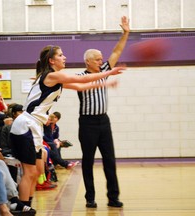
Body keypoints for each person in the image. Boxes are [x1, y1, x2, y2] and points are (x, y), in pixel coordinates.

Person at [10, 45, 125, 209]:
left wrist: (104, 84)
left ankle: (26, 206)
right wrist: (108, 73)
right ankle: (22, 207)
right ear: (52, 60)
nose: (64, 58)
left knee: (37, 171)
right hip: (26, 124)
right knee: (30, 172)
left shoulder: (55, 78)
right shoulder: (52, 75)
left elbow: (80, 87)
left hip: (34, 125)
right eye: (61, 55)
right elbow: (81, 80)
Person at [76, 16, 130, 208]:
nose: (101, 61)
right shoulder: (80, 77)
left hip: (103, 122)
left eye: (101, 59)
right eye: (98, 59)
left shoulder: (106, 69)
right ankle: (90, 198)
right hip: (87, 123)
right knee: (88, 161)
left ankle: (113, 197)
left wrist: (126, 33)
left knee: (109, 160)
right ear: (88, 62)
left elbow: (117, 51)